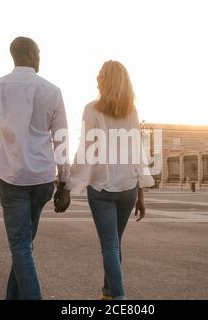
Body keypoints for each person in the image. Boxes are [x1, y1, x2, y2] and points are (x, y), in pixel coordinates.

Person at [0, 36, 70, 300]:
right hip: (43, 179)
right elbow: (62, 139)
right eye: (40, 53)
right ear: (33, 54)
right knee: (23, 246)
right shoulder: (52, 91)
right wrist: (65, 183)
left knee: (21, 247)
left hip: (12, 178)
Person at [55, 60, 154, 300]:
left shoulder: (92, 109)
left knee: (110, 245)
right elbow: (137, 154)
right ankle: (109, 293)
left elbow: (86, 150)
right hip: (128, 188)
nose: (96, 77)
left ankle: (119, 297)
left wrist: (67, 186)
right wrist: (141, 193)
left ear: (106, 80)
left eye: (99, 74)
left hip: (102, 188)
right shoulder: (132, 111)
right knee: (114, 244)